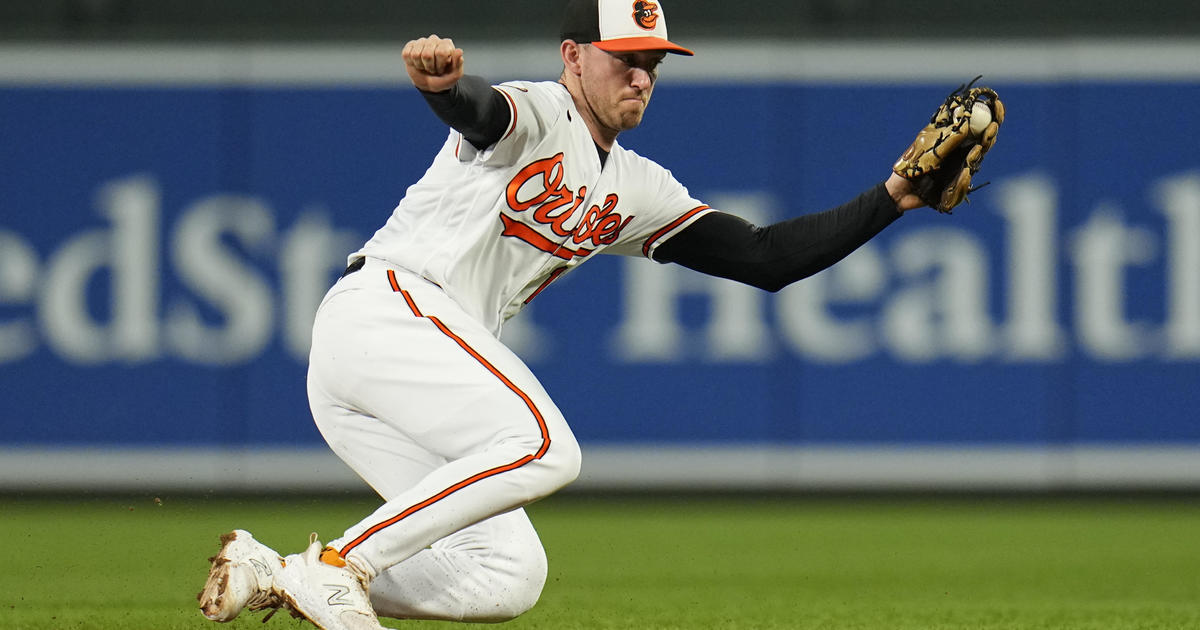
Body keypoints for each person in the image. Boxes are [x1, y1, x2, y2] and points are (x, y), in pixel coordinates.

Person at [198, 0, 932, 628]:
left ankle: (276, 571)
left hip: (396, 372)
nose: (641, 75)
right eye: (624, 58)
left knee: (508, 572)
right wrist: (446, 92)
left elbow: (767, 258)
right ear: (574, 56)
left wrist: (894, 196)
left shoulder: (639, 186)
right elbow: (486, 114)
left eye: (653, 62)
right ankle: (339, 565)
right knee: (545, 445)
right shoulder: (544, 111)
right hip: (390, 309)